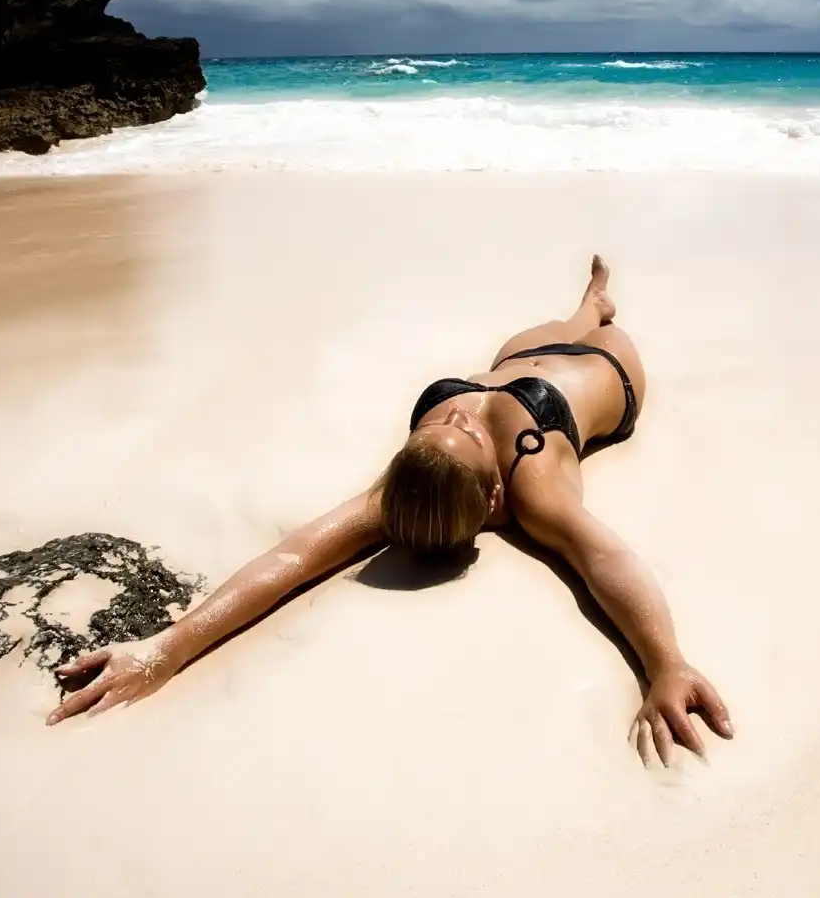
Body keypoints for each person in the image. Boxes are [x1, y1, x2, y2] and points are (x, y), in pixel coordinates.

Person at [46, 256, 732, 765]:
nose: (458, 411)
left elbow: (292, 555)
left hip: (519, 356)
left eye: (444, 423)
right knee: (592, 332)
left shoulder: (415, 481)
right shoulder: (531, 485)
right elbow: (604, 557)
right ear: (492, 500)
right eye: (458, 430)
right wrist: (666, 662)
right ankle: (598, 316)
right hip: (606, 368)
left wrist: (162, 650)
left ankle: (591, 301)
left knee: (568, 320)